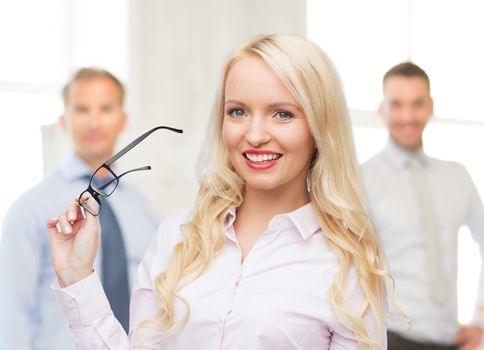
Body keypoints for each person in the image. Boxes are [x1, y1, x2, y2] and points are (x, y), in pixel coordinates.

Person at [48, 34, 393, 349]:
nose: (255, 134)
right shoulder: (176, 238)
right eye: (238, 111)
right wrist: (77, 276)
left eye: (282, 114)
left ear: (319, 127)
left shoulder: (349, 265)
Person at [0, 68, 159, 350]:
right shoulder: (29, 209)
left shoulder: (143, 210)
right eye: (82, 109)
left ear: (123, 119)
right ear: (64, 120)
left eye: (106, 109)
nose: (94, 122)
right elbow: (10, 315)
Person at [362, 62, 484, 350]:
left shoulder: (457, 175)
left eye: (417, 104)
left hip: (450, 340)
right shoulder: (360, 179)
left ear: (430, 106)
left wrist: (481, 319)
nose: (407, 116)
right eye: (397, 104)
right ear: (382, 109)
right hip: (390, 338)